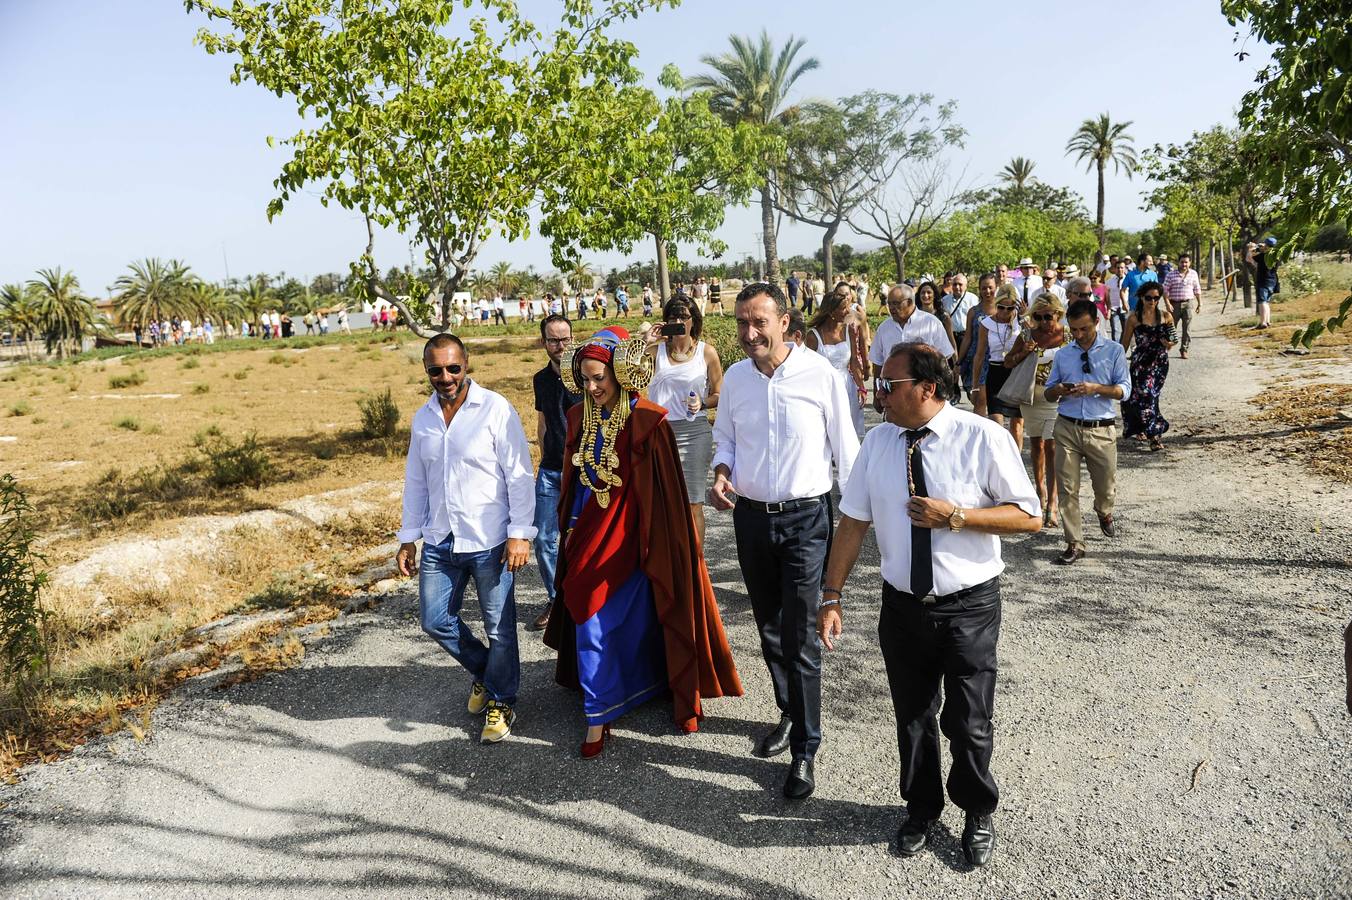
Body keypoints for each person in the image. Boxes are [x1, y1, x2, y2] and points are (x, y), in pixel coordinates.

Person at [819, 341, 1040, 867]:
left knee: (968, 720)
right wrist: (831, 594)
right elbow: (852, 522)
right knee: (913, 715)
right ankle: (921, 808)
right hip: (903, 606)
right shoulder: (877, 443)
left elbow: (1028, 516)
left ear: (927, 388)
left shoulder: (981, 437)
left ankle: (977, 808)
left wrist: (957, 516)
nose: (879, 394)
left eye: (890, 385)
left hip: (968, 605)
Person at [544, 326, 742, 755]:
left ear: (620, 372)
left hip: (635, 540)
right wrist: (571, 528)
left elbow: (664, 495)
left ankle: (618, 701)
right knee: (588, 613)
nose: (592, 387)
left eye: (599, 377)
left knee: (634, 618)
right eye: (585, 379)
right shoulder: (579, 416)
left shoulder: (648, 419)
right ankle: (598, 713)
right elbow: (574, 484)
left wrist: (661, 543)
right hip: (589, 537)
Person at [709, 281, 859, 800]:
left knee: (801, 633)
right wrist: (722, 467)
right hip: (750, 519)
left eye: (759, 322)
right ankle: (790, 714)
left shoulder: (820, 375)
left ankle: (806, 750)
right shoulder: (734, 379)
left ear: (785, 322)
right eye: (742, 323)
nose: (750, 333)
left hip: (805, 521)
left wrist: (860, 520)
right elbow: (724, 437)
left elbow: (847, 449)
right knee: (769, 627)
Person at [396, 333, 536, 743]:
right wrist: (409, 538)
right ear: (427, 371)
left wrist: (520, 534)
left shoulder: (494, 408)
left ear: (467, 364)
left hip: (490, 539)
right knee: (435, 620)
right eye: (435, 370)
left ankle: (501, 698)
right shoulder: (423, 417)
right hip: (441, 540)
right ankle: (488, 672)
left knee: (500, 627)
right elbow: (416, 482)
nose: (445, 377)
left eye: (453, 368)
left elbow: (519, 474)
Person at [1044, 299, 1132, 565]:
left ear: (1097, 322)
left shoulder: (1114, 351)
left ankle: (1104, 511)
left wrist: (1096, 388)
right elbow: (1048, 392)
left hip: (1101, 429)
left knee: (1105, 486)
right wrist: (1059, 389)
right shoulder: (1063, 354)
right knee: (1067, 488)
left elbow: (1123, 391)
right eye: (1074, 330)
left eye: (1084, 329)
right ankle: (1074, 542)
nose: (1078, 335)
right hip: (1067, 426)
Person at [646, 295, 723, 542]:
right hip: (658, 433)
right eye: (673, 317)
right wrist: (645, 341)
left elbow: (720, 394)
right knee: (660, 505)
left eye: (684, 317)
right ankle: (668, 566)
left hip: (694, 433)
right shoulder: (653, 351)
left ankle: (695, 568)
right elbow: (624, 373)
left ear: (694, 321)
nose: (678, 321)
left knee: (692, 504)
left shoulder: (706, 352)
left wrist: (702, 402)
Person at [528, 314, 581, 632]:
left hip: (582, 470)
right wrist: (543, 452)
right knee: (545, 538)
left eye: (565, 339)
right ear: (543, 342)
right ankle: (556, 600)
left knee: (582, 538)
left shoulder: (587, 376)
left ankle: (584, 599)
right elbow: (543, 422)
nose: (560, 346)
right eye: (553, 340)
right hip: (550, 470)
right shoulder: (541, 379)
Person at [1005, 295, 1070, 526]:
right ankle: (1040, 489)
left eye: (1048, 317)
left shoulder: (1068, 336)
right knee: (1037, 445)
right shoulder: (1027, 335)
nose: (1043, 322)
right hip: (1032, 396)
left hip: (1057, 398)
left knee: (1052, 446)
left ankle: (1052, 504)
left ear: (1058, 314)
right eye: (1038, 317)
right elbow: (1008, 362)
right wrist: (1024, 351)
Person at [869, 285, 956, 412]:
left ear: (909, 302)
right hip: (892, 393)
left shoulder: (931, 323)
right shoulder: (884, 328)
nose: (891, 308)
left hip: (924, 393)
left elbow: (943, 360)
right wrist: (877, 393)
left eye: (896, 303)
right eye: (889, 303)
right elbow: (878, 363)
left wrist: (943, 390)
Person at [806, 285, 869, 439]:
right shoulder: (813, 336)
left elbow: (854, 361)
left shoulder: (848, 330)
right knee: (828, 428)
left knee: (850, 428)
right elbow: (807, 369)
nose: (848, 312)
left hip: (847, 384)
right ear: (831, 312)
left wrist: (861, 387)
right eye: (844, 309)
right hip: (823, 387)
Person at [1120, 282, 1176, 452]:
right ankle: (1154, 435)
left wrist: (1169, 343)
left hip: (1159, 363)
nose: (1152, 301)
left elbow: (1173, 339)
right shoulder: (1134, 318)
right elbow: (1124, 344)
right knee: (1142, 396)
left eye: (1156, 298)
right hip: (1141, 363)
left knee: (1151, 396)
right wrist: (1116, 364)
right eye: (1149, 298)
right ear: (1142, 297)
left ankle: (1149, 429)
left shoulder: (1166, 316)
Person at [972, 284, 1024, 447]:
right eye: (1001, 307)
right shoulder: (986, 324)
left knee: (1017, 426)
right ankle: (1001, 460)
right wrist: (975, 386)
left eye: (1010, 308)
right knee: (996, 424)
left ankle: (1017, 462)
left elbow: (1033, 341)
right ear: (996, 304)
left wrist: (1025, 318)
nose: (1005, 312)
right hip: (995, 371)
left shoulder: (1021, 321)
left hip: (1016, 373)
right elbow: (979, 355)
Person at [957, 274, 998, 412]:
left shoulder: (1003, 310)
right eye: (984, 288)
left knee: (990, 401)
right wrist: (959, 362)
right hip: (977, 359)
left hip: (996, 359)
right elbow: (968, 338)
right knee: (978, 400)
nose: (987, 291)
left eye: (990, 288)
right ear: (979, 290)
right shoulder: (973, 312)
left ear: (996, 287)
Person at [1163, 253, 1202, 358]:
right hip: (1174, 304)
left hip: (1188, 304)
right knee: (1171, 328)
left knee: (1187, 329)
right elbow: (1165, 290)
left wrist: (1199, 303)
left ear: (1189, 263)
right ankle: (1167, 347)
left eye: (1186, 262)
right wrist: (1167, 303)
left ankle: (1184, 349)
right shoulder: (1171, 275)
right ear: (1178, 263)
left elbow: (1197, 289)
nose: (1184, 264)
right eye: (1182, 262)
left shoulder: (1193, 274)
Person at [915, 281, 959, 357]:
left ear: (934, 295)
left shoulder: (943, 316)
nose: (926, 295)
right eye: (923, 293)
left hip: (938, 358)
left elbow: (951, 340)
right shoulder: (914, 315)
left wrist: (956, 363)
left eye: (929, 292)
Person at [1247, 237, 1280, 329]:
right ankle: (1267, 321)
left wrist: (1251, 248)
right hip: (1273, 281)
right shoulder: (1275, 255)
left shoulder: (1263, 256)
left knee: (1262, 301)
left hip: (1263, 280)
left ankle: (1262, 323)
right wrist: (1259, 248)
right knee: (1266, 302)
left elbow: (1249, 258)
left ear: (1266, 245)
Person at [942, 272, 977, 349]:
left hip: (967, 337)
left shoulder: (973, 299)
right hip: (950, 337)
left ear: (966, 286)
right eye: (954, 284)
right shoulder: (944, 300)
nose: (957, 287)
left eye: (960, 284)